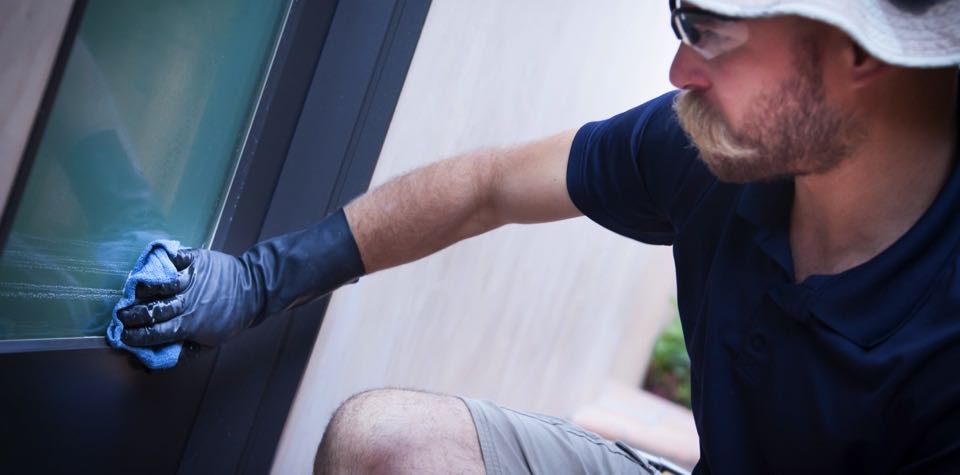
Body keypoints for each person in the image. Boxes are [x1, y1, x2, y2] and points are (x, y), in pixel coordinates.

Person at [117, 0, 960, 473]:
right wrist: (259, 281)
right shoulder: (716, 149)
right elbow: (487, 187)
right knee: (390, 445)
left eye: (712, 33)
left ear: (858, 54)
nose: (679, 71)